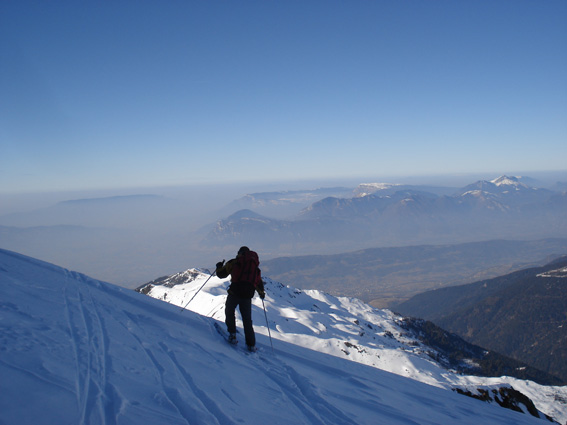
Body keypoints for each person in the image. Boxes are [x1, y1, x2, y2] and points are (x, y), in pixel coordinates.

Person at [216, 246, 265, 351]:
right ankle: (251, 344)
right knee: (247, 320)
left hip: (234, 293)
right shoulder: (254, 268)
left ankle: (232, 335)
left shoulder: (235, 262)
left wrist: (219, 266)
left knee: (229, 312)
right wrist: (261, 293)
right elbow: (258, 282)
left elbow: (221, 274)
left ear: (239, 253)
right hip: (247, 297)